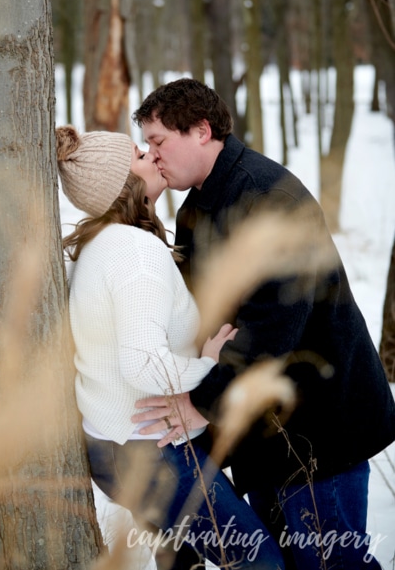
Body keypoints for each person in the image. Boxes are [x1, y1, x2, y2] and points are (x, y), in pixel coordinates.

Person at [131, 77, 395, 570]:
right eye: (148, 144)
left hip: (319, 429)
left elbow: (274, 322)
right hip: (264, 431)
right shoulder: (196, 210)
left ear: (202, 131)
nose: (154, 155)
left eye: (159, 141)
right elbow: (182, 313)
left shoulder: (268, 197)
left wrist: (202, 404)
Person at [55, 125, 286, 570]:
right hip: (154, 455)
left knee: (181, 563)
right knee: (262, 562)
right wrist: (210, 367)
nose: (152, 157)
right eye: (141, 155)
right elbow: (143, 364)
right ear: (125, 184)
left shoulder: (99, 245)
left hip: (113, 448)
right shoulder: (136, 253)